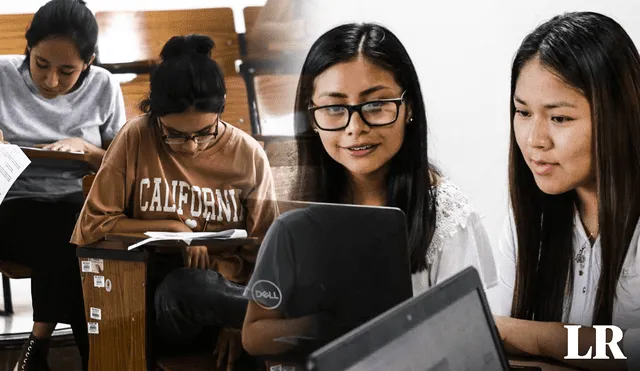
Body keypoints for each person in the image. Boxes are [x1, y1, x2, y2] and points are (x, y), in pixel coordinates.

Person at [241, 22, 498, 362]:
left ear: (409, 109)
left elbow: (465, 344)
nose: (355, 128)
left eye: (376, 105)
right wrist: (324, 325)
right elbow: (256, 333)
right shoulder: (297, 217)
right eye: (334, 108)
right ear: (312, 117)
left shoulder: (448, 217)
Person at [71, 34, 278, 371]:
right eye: (176, 134)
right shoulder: (136, 137)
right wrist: (173, 229)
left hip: (232, 297)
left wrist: (232, 321)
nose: (191, 146)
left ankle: (255, 321)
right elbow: (93, 224)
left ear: (221, 111)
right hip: (160, 302)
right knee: (187, 286)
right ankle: (282, 318)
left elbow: (266, 247)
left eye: (205, 132)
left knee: (239, 329)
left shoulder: (247, 152)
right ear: (154, 114)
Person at [493, 12, 640, 371]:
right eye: (522, 112)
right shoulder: (526, 219)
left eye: (559, 118)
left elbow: (631, 353)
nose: (534, 140)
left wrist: (542, 337)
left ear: (616, 115)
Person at [0, 0, 126, 369]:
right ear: (29, 49)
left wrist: (87, 150)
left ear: (88, 62)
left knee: (74, 234)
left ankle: (36, 347)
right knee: (73, 241)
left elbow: (122, 166)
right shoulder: (2, 74)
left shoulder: (104, 86)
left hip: (78, 206)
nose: (51, 80)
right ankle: (90, 360)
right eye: (41, 64)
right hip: (11, 204)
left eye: (67, 70)